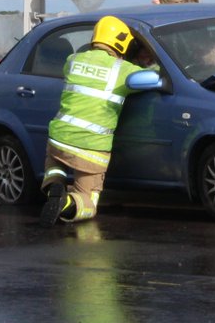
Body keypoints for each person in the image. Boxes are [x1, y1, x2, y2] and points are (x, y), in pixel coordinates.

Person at [40, 15, 148, 227]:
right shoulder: (123, 70)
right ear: (121, 41)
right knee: (89, 200)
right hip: (90, 146)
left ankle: (55, 184)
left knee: (55, 165)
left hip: (58, 138)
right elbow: (153, 79)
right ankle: (66, 203)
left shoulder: (73, 60)